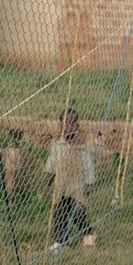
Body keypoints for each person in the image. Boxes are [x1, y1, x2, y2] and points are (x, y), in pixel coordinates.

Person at [43, 107, 95, 251]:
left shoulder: (83, 148)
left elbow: (89, 169)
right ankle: (60, 241)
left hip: (77, 188)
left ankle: (89, 233)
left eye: (72, 124)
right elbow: (51, 168)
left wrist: (88, 187)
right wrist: (47, 185)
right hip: (61, 188)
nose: (68, 127)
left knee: (78, 214)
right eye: (65, 124)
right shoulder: (57, 146)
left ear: (77, 126)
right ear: (60, 126)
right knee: (59, 214)